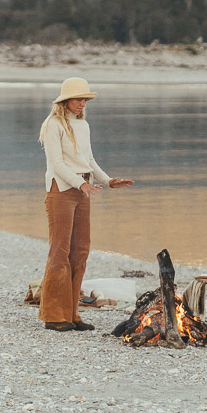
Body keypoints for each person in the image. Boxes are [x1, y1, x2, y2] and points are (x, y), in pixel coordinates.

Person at [37, 77, 133, 332]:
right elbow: (57, 165)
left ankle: (72, 313)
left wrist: (109, 181)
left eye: (85, 100)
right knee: (59, 253)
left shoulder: (83, 125)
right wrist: (81, 185)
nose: (82, 103)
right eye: (78, 99)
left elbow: (88, 159)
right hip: (61, 191)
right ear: (66, 100)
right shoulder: (53, 125)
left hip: (83, 190)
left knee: (80, 251)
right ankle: (54, 315)